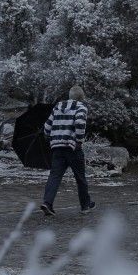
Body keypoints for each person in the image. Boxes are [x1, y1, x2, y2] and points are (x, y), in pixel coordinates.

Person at [40, 85, 95, 217]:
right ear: (81, 97)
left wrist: (49, 136)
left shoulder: (58, 106)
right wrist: (79, 141)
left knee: (54, 176)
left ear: (70, 96)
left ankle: (47, 203)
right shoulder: (81, 107)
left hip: (57, 147)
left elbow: (47, 126)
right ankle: (85, 205)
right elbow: (80, 124)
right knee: (80, 177)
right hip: (72, 147)